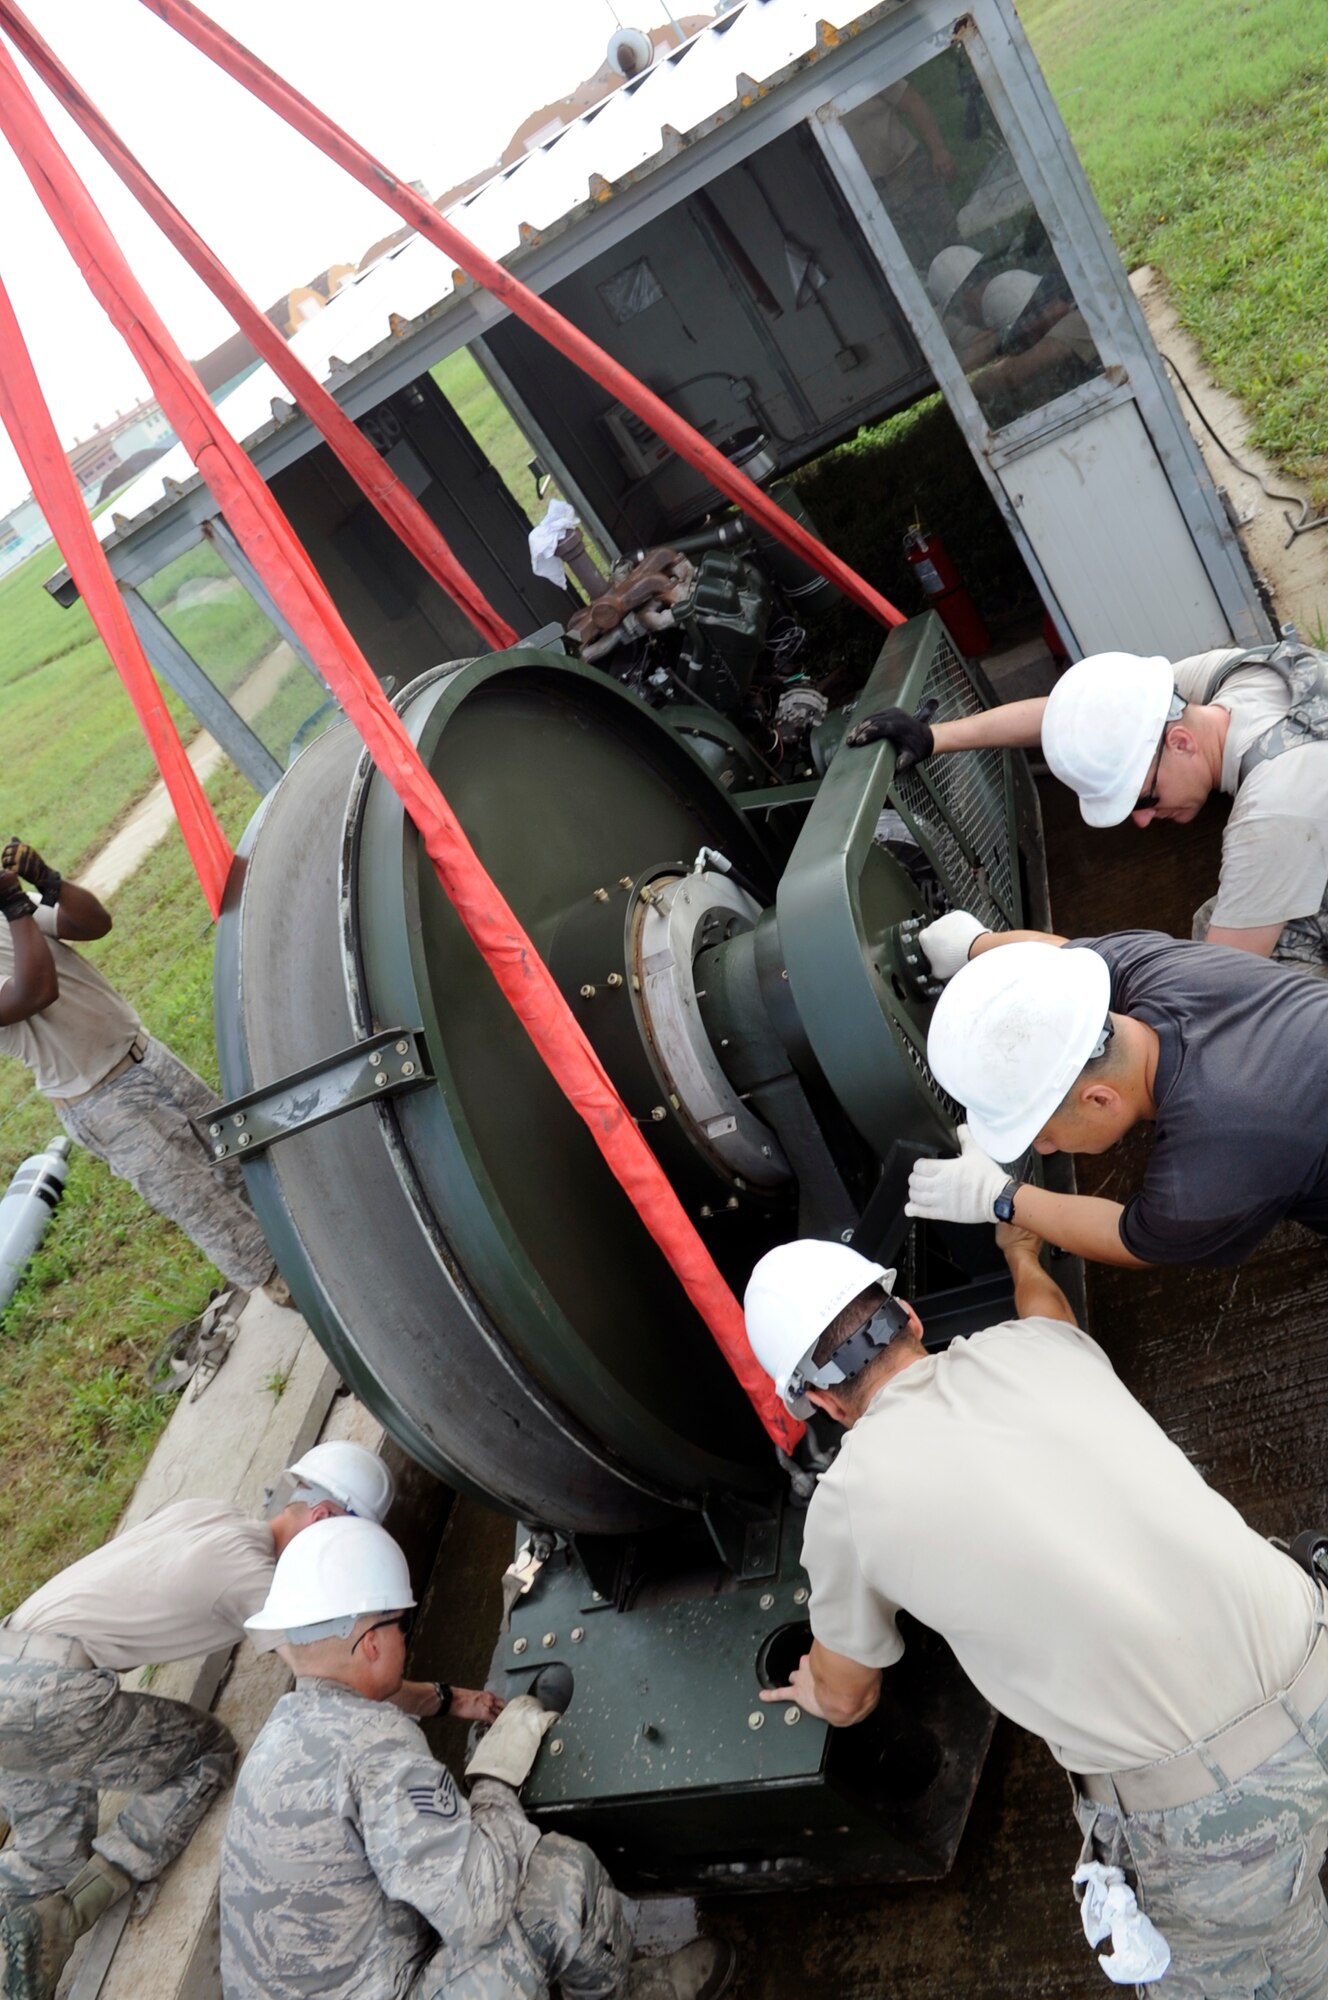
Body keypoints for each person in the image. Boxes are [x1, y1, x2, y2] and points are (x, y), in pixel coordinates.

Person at [745, 1232, 1328, 1997]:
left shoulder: (849, 1503)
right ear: (911, 1317)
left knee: (1257, 1962)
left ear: (820, 1400)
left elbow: (849, 1696)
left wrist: (810, 1686)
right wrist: (1023, 1258)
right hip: (1314, 1643)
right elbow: (1051, 1310)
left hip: (1217, 1808)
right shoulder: (1041, 1345)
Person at [0, 1442, 481, 2000]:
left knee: (47, 1854)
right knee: (207, 1752)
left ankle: (28, 1931)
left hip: (8, 1663)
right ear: (324, 1518)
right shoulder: (256, 1580)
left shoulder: (211, 1514)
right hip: (50, 1697)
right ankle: (72, 1911)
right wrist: (447, 1699)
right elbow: (341, 1678)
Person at [220, 1517, 736, 2000]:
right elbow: (479, 1906)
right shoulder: (376, 1752)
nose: (407, 1633)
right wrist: (494, 1782)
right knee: (556, 1876)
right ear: (372, 1643)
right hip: (388, 1983)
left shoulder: (284, 1734)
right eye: (403, 1622)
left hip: (344, 1976)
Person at [848, 641, 1328, 971]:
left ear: (1180, 742)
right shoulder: (1239, 677)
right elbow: (1077, 715)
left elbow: (1214, 984)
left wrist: (996, 950)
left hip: (1299, 826)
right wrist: (936, 737)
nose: (1143, 820)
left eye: (1144, 799)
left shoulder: (1272, 815)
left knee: (1235, 981)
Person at [901, 911, 1328, 1268]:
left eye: (1042, 1132)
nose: (1046, 1148)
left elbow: (1133, 1239)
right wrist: (975, 946)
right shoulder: (1155, 967)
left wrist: (999, 1197)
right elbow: (1063, 960)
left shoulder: (1213, 1156)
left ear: (1100, 1098)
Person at [0, 836, 280, 1293]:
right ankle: (293, 1291)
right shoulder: (9, 912)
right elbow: (35, 992)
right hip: (101, 1104)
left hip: (146, 1055)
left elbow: (94, 923)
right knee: (203, 1205)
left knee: (245, 1160)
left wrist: (49, 882)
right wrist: (14, 904)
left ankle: (309, 1247)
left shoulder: (7, 912)